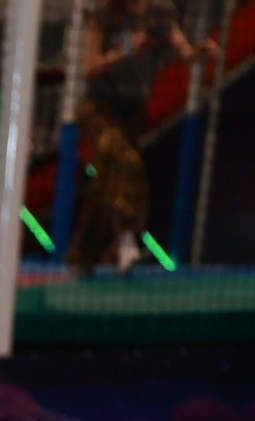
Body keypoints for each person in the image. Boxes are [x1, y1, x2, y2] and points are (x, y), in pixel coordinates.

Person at [68, 0, 215, 275]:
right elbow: (89, 68)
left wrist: (200, 51)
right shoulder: (104, 15)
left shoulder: (161, 13)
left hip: (133, 114)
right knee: (127, 163)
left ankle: (81, 257)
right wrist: (125, 49)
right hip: (100, 109)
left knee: (105, 187)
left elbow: (184, 51)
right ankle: (127, 244)